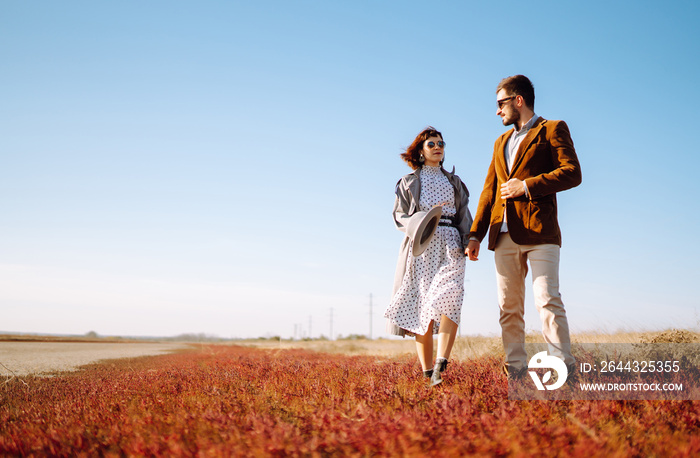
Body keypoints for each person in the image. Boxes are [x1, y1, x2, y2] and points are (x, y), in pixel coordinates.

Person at [466, 75, 582, 380]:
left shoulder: (553, 129)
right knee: (509, 307)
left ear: (518, 100)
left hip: (540, 231)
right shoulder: (499, 142)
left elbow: (572, 173)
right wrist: (476, 233)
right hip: (502, 235)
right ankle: (516, 370)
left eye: (500, 104)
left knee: (547, 299)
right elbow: (489, 190)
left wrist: (527, 186)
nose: (497, 111)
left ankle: (562, 368)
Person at [385, 127, 473, 387]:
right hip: (422, 244)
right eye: (432, 143)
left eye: (441, 143)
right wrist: (420, 223)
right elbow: (399, 216)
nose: (438, 147)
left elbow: (464, 216)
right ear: (421, 151)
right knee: (423, 306)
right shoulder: (408, 182)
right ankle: (428, 374)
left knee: (452, 296)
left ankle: (441, 363)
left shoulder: (455, 183)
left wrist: (469, 242)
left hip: (451, 243)